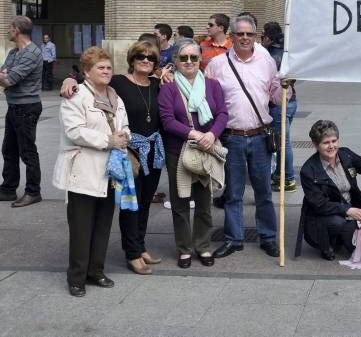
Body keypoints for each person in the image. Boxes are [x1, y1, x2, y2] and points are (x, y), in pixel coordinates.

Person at [61, 40, 167, 275]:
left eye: (151, 58)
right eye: (141, 56)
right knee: (131, 202)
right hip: (127, 152)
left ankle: (140, 246)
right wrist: (69, 80)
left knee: (146, 202)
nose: (146, 61)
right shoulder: (118, 81)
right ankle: (132, 253)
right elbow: (89, 82)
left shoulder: (158, 84)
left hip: (152, 152)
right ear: (132, 58)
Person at [205, 15, 289, 260]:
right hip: (232, 138)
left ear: (256, 36)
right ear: (231, 36)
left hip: (261, 136)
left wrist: (286, 86)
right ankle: (234, 239)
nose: (244, 38)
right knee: (233, 193)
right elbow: (206, 100)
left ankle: (269, 238)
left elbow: (275, 96)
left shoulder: (266, 61)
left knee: (263, 191)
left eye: (249, 34)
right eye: (239, 34)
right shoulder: (217, 65)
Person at [52, 46, 129, 297]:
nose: (106, 71)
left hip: (109, 171)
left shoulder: (115, 95)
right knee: (81, 228)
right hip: (83, 170)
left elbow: (124, 123)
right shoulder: (76, 96)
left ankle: (96, 270)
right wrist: (109, 140)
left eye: (108, 67)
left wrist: (124, 135)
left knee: (103, 225)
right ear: (86, 71)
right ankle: (76, 278)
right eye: (100, 67)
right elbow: (74, 131)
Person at [158, 38, 228, 268]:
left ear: (200, 60)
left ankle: (203, 246)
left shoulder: (212, 85)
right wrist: (194, 134)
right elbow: (167, 121)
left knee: (204, 203)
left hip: (206, 149)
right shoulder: (168, 87)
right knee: (179, 204)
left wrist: (211, 135)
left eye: (194, 57)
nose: (189, 62)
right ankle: (184, 249)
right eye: (183, 57)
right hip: (178, 151)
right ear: (175, 61)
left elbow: (223, 115)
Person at [297, 120, 361, 260]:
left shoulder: (346, 155)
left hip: (351, 209)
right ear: (315, 144)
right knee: (342, 228)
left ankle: (342, 237)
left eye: (334, 141)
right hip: (325, 216)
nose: (331, 146)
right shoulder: (308, 171)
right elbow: (320, 205)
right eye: (326, 143)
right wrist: (346, 210)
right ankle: (327, 244)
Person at [0, 16, 44, 207]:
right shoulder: (13, 52)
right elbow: (4, 73)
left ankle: (33, 192)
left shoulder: (32, 53)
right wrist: (6, 74)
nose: (8, 31)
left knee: (27, 151)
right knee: (9, 149)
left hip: (27, 107)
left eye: (10, 28)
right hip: (14, 106)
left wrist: (6, 75)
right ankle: (8, 189)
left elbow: (8, 80)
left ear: (17, 30)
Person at [262, 21, 297, 192]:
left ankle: (288, 178)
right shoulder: (287, 52)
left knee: (283, 143)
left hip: (279, 103)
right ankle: (280, 175)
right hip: (291, 101)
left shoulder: (271, 56)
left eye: (262, 36)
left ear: (268, 38)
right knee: (284, 141)